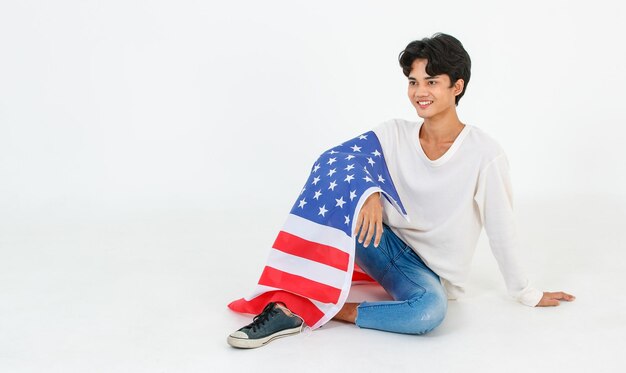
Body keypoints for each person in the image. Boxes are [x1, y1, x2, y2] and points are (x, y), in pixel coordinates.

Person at [226, 33, 575, 349]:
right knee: (342, 188)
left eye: (432, 81)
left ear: (457, 86)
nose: (420, 92)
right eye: (413, 81)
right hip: (380, 243)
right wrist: (370, 191)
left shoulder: (485, 153)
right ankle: (303, 300)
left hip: (427, 275)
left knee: (428, 312)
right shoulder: (393, 133)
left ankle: (319, 308)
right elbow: (336, 159)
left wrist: (525, 292)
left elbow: (501, 227)